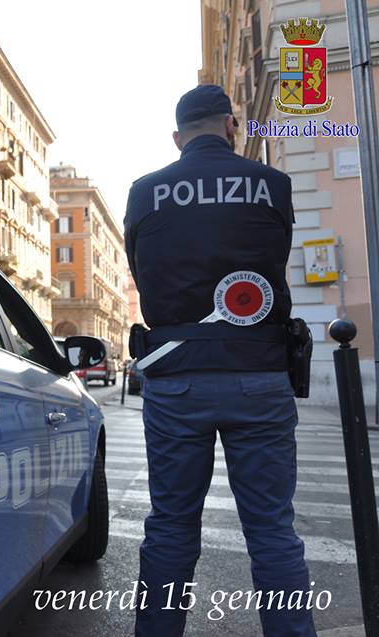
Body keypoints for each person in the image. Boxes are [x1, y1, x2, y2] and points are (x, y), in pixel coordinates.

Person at [124, 85, 316, 637]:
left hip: (177, 379)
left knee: (170, 528)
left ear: (178, 137)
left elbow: (144, 271)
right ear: (232, 126)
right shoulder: (271, 185)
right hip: (259, 373)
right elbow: (272, 258)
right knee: (273, 532)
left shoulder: (145, 191)